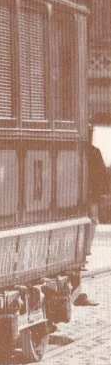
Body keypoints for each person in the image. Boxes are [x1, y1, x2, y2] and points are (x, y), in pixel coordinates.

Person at [73, 127, 108, 306]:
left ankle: (77, 290)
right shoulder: (93, 152)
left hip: (80, 203)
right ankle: (77, 291)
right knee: (83, 250)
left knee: (80, 250)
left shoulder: (79, 152)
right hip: (88, 204)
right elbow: (103, 179)